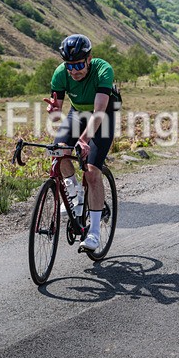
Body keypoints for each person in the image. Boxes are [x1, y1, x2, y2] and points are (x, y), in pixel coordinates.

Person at [44, 34, 117, 252]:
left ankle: (93, 233)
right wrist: (55, 110)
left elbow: (99, 112)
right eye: (70, 65)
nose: (74, 71)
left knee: (92, 171)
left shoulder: (103, 70)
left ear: (89, 58)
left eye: (78, 65)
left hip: (102, 115)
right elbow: (57, 107)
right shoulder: (61, 74)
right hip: (77, 113)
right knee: (59, 153)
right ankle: (74, 193)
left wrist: (84, 140)